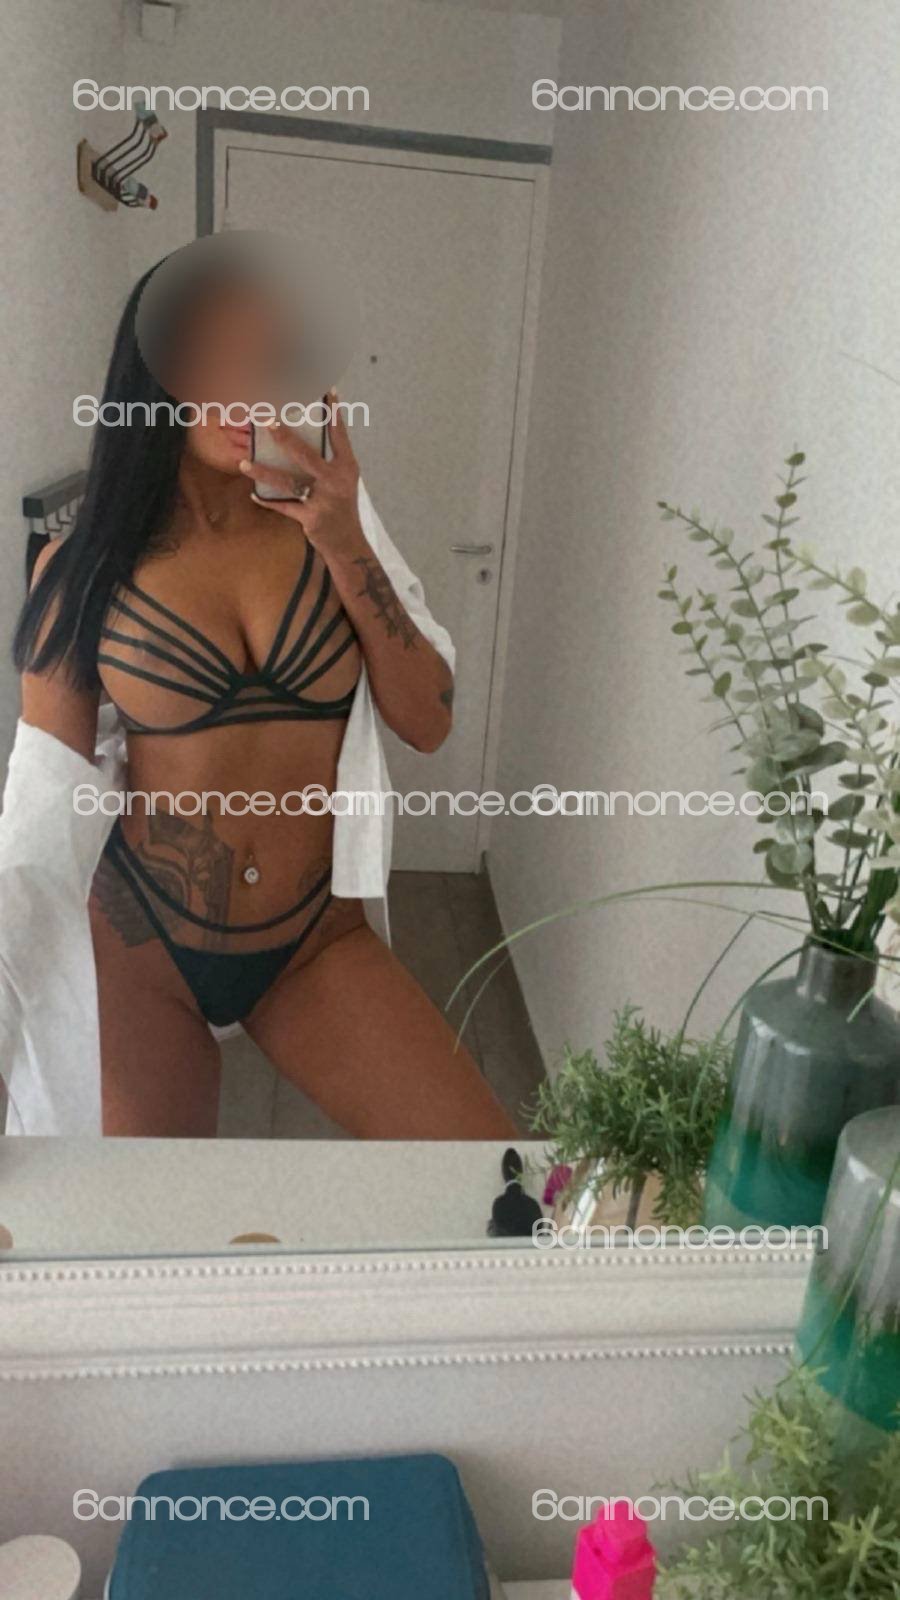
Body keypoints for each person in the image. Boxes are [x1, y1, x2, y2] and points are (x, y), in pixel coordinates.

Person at [13, 251, 516, 1140]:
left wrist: (346, 542)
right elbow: (38, 819)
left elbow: (429, 720)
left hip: (312, 942)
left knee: (489, 1170)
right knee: (154, 1217)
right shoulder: (81, 569)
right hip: (141, 946)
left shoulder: (338, 528)